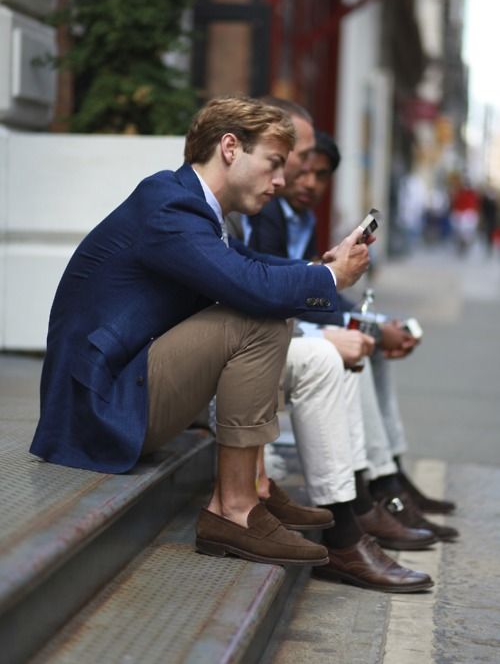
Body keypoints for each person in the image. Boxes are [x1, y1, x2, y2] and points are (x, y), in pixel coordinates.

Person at [30, 96, 372, 567]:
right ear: (230, 147)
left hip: (123, 382)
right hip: (99, 408)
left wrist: (321, 268)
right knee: (259, 316)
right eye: (274, 164)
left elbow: (254, 267)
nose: (280, 182)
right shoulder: (169, 206)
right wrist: (330, 279)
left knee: (269, 301)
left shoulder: (193, 207)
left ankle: (253, 488)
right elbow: (252, 287)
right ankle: (234, 508)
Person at [247, 119, 457, 541]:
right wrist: (362, 325)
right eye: (296, 164)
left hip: (278, 322)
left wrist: (373, 323)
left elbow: (310, 289)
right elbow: (270, 288)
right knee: (348, 348)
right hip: (263, 331)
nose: (305, 180)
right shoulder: (265, 214)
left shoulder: (295, 216)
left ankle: (386, 478)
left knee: (364, 341)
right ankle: (360, 504)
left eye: (318, 172)